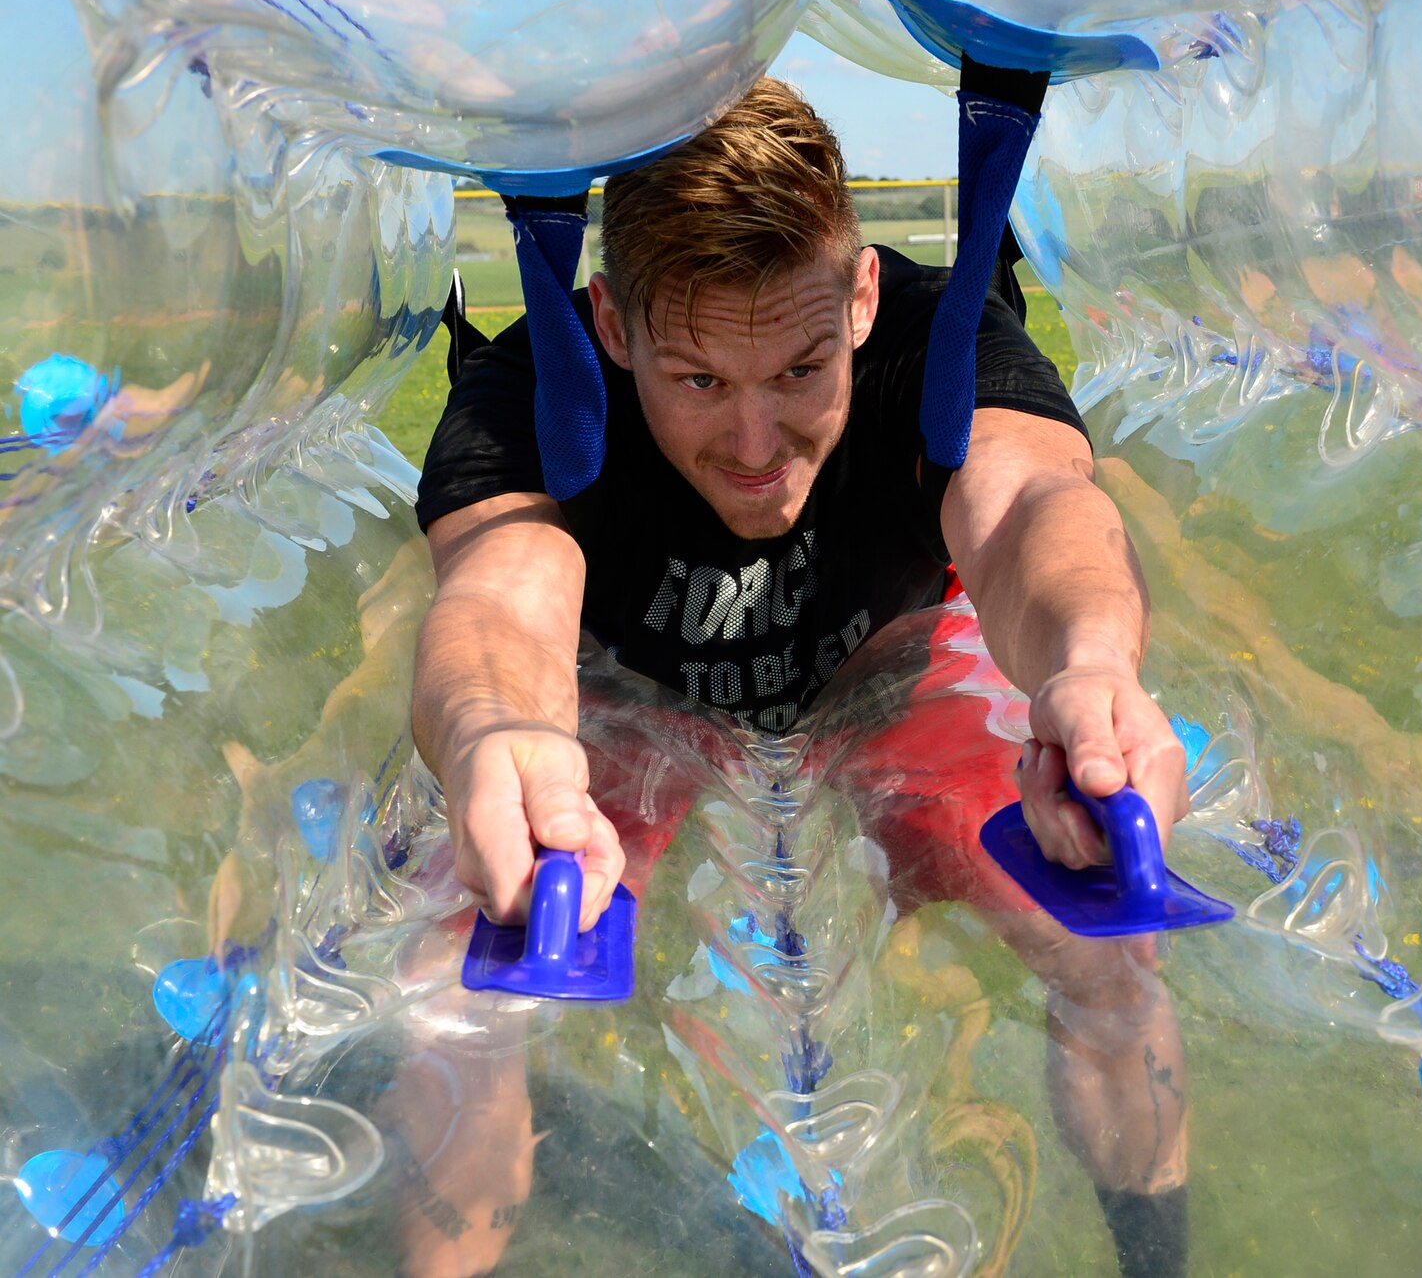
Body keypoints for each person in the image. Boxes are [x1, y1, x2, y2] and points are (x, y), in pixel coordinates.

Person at [409, 77, 1193, 1276]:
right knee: (452, 1000)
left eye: (798, 369)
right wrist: (490, 729)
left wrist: (1088, 664)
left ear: (862, 295)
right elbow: (498, 591)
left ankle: (1159, 1260)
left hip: (888, 685)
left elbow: (1035, 505)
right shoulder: (533, 390)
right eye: (700, 381)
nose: (755, 443)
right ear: (612, 328)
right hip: (626, 702)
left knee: (1108, 947)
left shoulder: (935, 344)